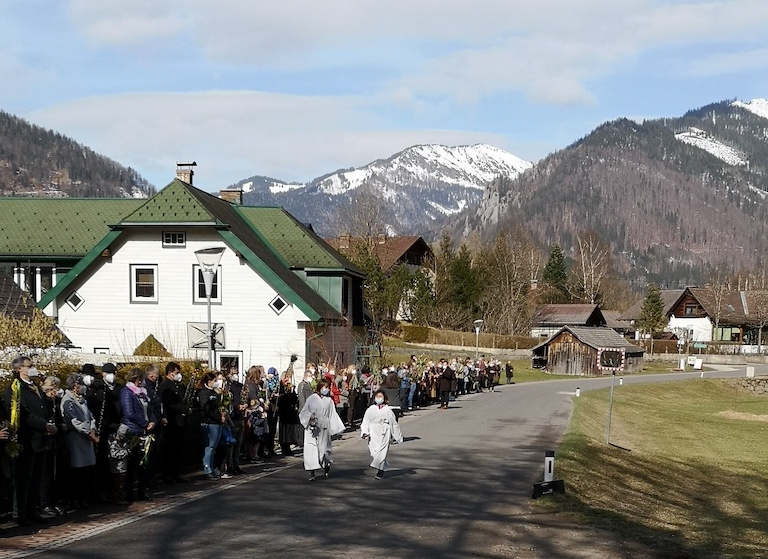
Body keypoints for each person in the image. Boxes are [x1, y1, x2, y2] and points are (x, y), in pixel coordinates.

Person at [4, 356, 57, 526]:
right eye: (29, 366)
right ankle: (20, 513)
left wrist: (50, 421)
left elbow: (45, 408)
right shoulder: (15, 388)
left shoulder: (36, 387)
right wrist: (44, 425)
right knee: (24, 479)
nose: (32, 368)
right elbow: (23, 413)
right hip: (27, 440)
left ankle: (32, 511)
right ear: (19, 369)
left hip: (41, 439)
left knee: (36, 478)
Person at [61, 373, 98, 509]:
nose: (84, 388)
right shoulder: (68, 401)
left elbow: (90, 416)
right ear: (75, 386)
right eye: (81, 385)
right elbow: (73, 421)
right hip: (76, 439)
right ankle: (75, 499)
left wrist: (92, 429)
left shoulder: (82, 400)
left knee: (86, 470)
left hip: (87, 439)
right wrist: (88, 432)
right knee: (77, 471)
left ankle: (84, 497)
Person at [119, 368, 156, 502]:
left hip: (145, 431)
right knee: (132, 464)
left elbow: (150, 409)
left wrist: (153, 421)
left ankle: (142, 491)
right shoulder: (127, 392)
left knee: (143, 464)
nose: (141, 381)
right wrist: (145, 423)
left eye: (142, 379)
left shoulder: (143, 393)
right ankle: (129, 493)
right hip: (133, 431)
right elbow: (129, 413)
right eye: (139, 379)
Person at [298, 379, 345, 481]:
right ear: (320, 388)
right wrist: (309, 416)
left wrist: (335, 428)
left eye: (328, 388)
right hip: (312, 427)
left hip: (324, 426)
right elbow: (304, 412)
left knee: (324, 449)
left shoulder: (329, 401)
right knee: (311, 449)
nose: (326, 390)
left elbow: (332, 415)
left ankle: (326, 467)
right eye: (325, 387)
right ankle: (312, 472)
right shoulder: (311, 399)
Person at [158, 362, 190, 485]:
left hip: (180, 422)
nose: (179, 375)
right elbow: (170, 404)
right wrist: (184, 409)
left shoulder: (177, 385)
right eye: (177, 373)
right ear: (170, 372)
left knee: (178, 450)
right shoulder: (165, 386)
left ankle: (176, 473)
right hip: (172, 422)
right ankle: (168, 475)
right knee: (170, 450)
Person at [360, 390, 403, 480]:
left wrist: (398, 437)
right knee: (374, 452)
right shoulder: (370, 409)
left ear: (384, 398)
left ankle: (380, 471)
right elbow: (365, 422)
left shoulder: (388, 410)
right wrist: (364, 432)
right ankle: (381, 465)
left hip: (384, 431)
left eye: (381, 397)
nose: (379, 398)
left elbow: (393, 424)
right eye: (377, 396)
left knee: (382, 452)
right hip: (373, 432)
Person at [198, 372, 225, 479]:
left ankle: (212, 467)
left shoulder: (214, 392)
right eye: (214, 381)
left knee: (214, 448)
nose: (216, 383)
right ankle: (207, 469)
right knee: (209, 447)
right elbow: (206, 410)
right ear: (209, 382)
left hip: (217, 423)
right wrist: (219, 417)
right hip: (210, 423)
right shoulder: (204, 393)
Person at [276, 381, 302, 456]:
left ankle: (288, 447)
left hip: (290, 414)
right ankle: (284, 447)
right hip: (284, 414)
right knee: (285, 432)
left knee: (289, 431)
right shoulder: (281, 391)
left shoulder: (292, 392)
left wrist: (292, 393)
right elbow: (280, 401)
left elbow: (295, 400)